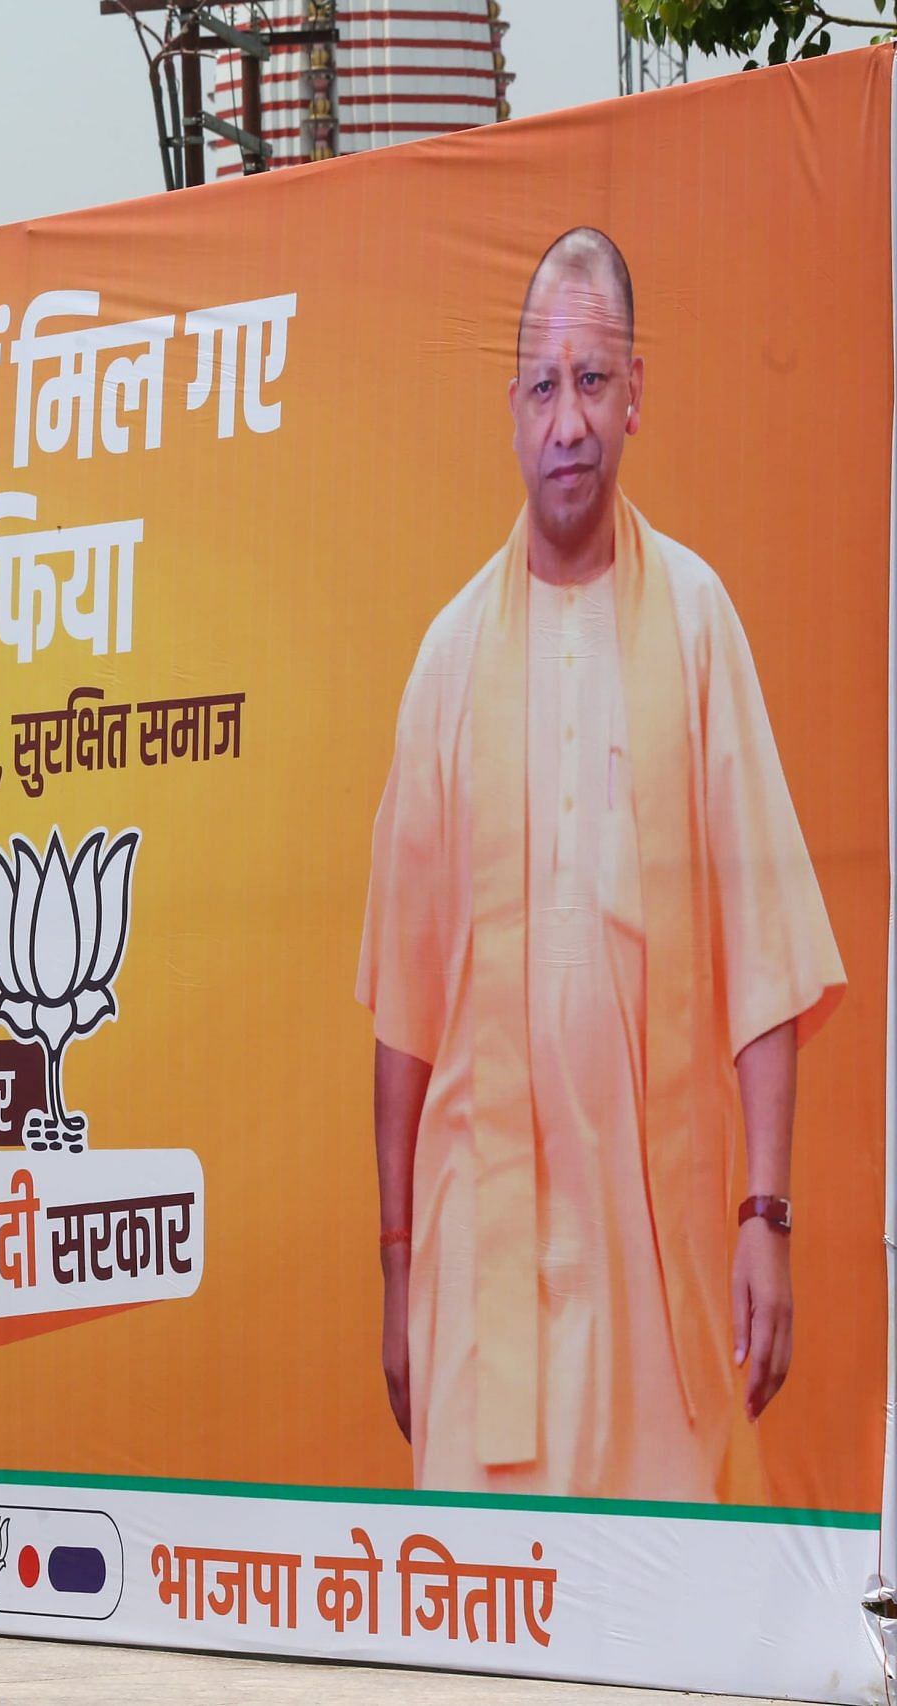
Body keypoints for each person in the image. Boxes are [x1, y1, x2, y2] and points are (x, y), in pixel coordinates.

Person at [358, 227, 845, 1501]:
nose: (565, 421)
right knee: (480, 1638)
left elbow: (766, 951)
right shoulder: (446, 660)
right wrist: (401, 1262)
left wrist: (765, 1215)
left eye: (591, 382)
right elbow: (403, 1016)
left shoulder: (697, 623)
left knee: (656, 1635)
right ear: (508, 411)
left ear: (637, 391)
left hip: (658, 1249)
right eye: (539, 387)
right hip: (482, 1266)